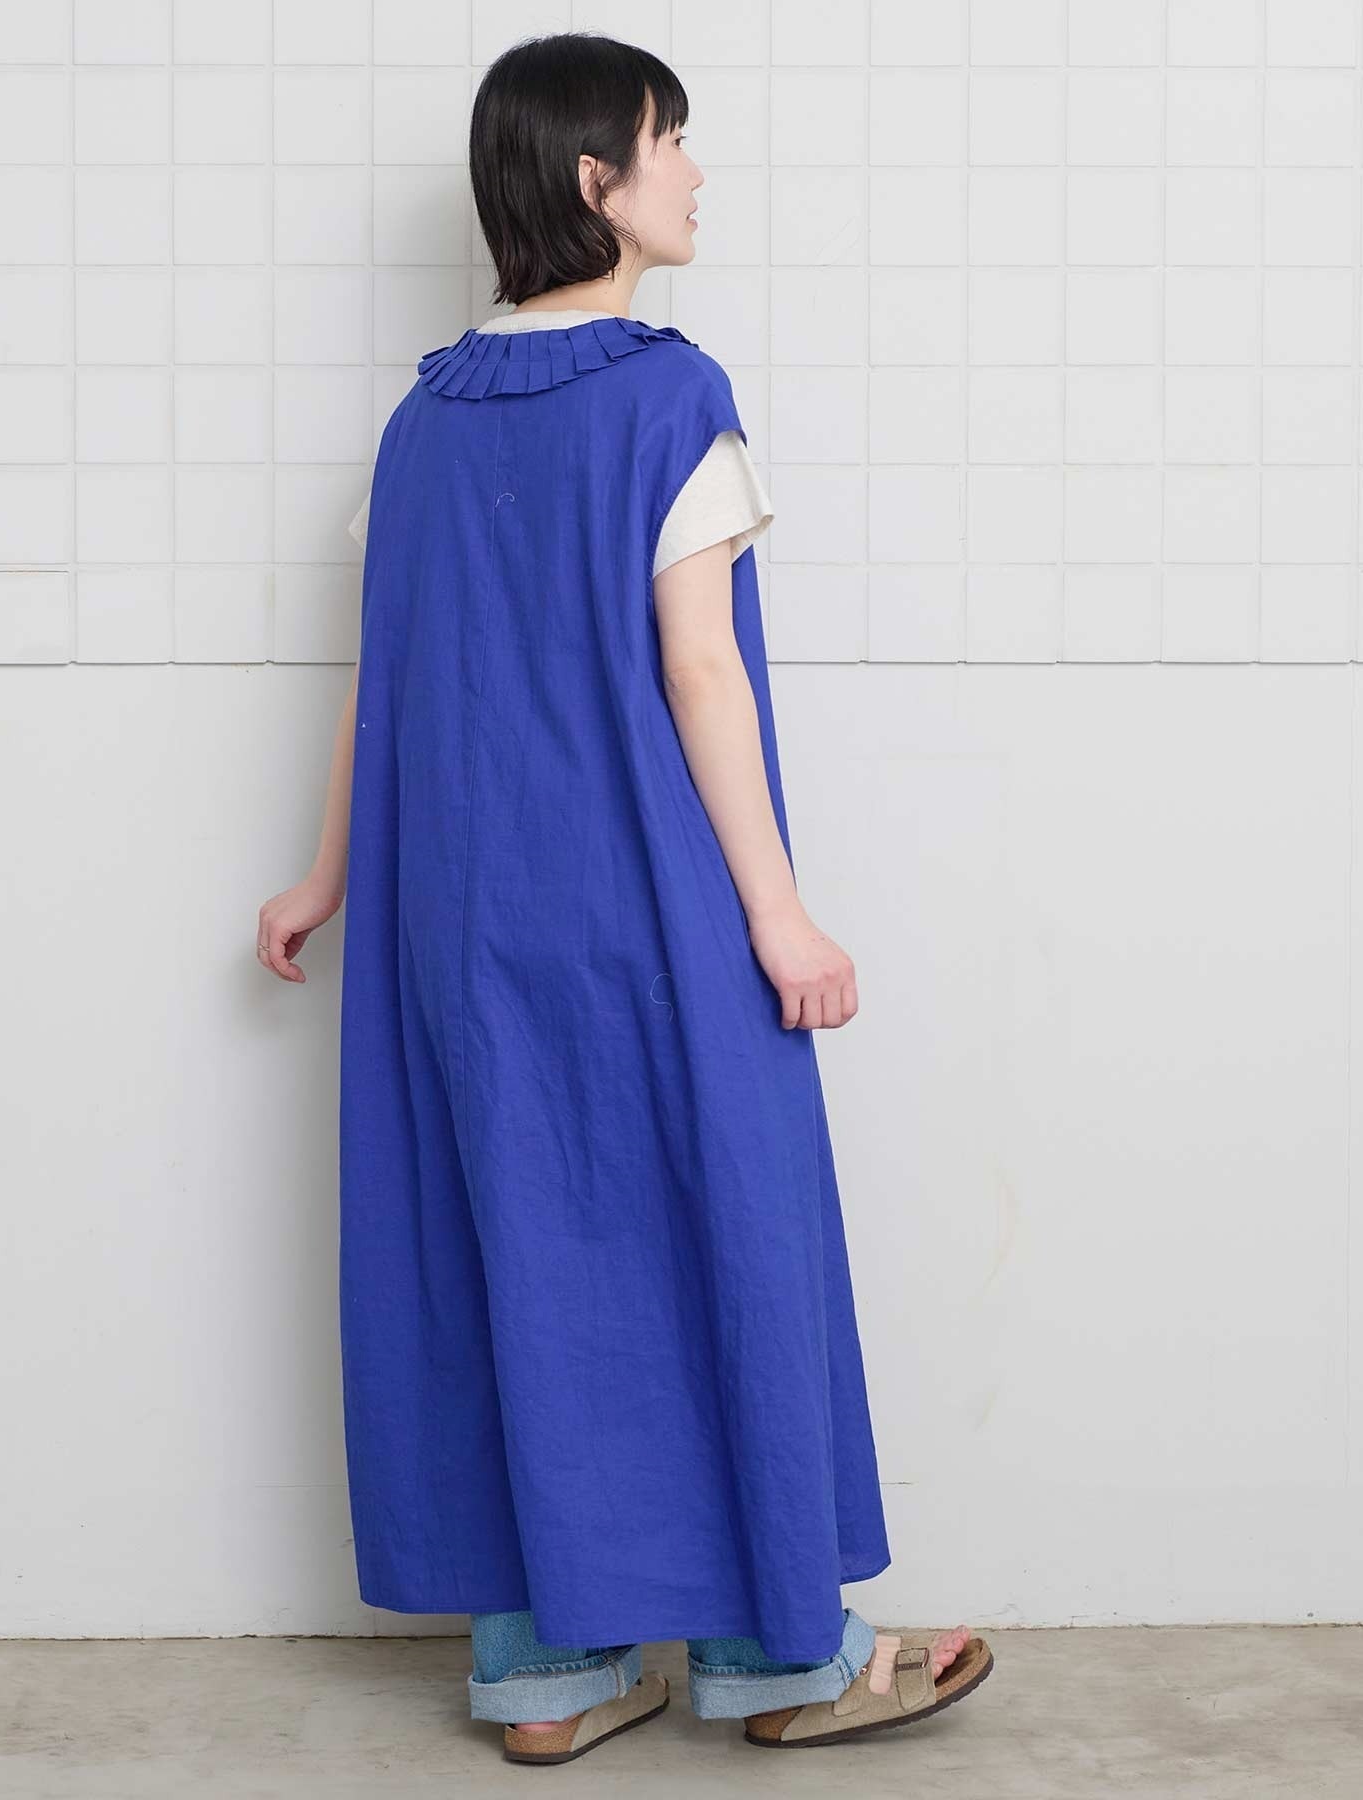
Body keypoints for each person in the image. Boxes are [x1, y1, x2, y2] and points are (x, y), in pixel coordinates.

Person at [257, 31, 993, 1766]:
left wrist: (326, 877)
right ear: (599, 182)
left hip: (455, 920)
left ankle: (545, 1674)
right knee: (720, 1238)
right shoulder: (670, 396)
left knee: (507, 1248)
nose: (697, 171)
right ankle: (785, 1657)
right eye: (674, 141)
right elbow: (699, 672)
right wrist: (780, 915)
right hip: (645, 905)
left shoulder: (422, 420)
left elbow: (385, 673)